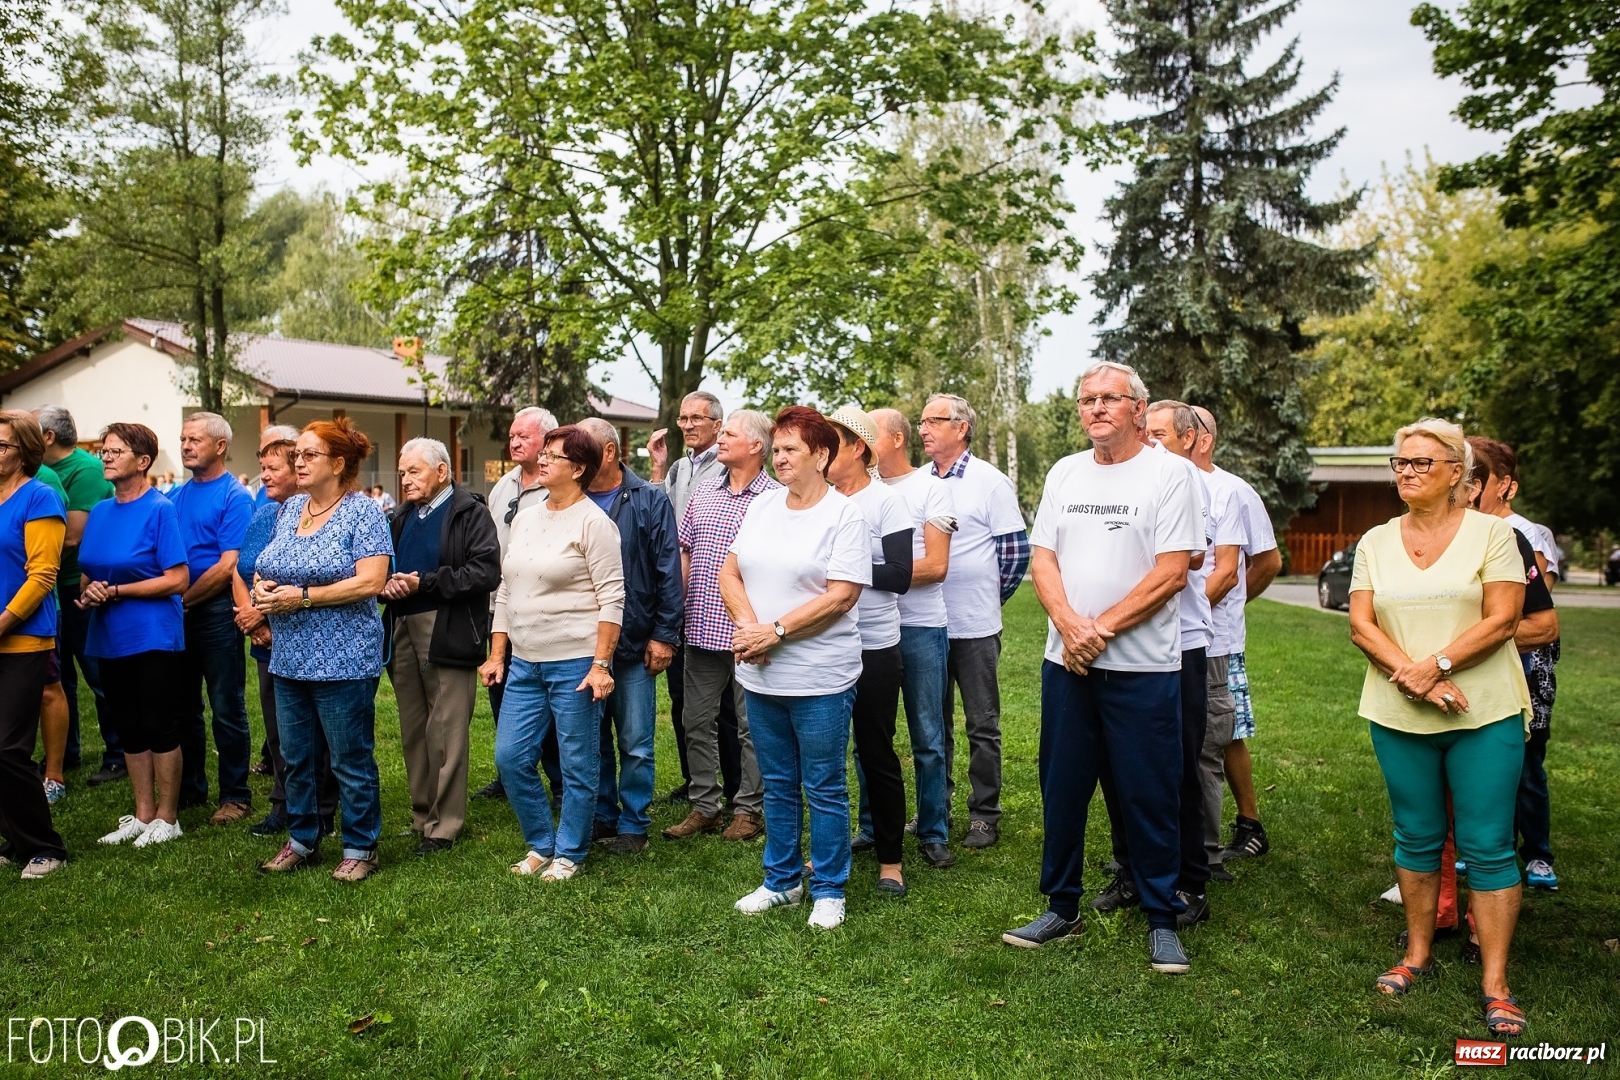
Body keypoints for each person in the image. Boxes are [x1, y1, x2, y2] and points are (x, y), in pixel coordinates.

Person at [1004, 362, 1202, 976]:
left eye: (1108, 399)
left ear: (1139, 410)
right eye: (1086, 399)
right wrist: (1068, 626)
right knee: (1062, 787)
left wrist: (1098, 630)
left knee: (1148, 791)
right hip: (1066, 664)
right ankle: (1061, 906)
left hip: (1143, 668)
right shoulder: (1065, 472)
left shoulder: (1170, 475)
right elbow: (1043, 560)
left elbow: (1172, 572)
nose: (1095, 409)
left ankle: (1162, 916)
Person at [1348, 418, 1531, 1039]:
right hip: (1400, 712)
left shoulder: (1493, 535)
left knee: (1487, 845)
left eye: (1422, 462)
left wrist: (1438, 665)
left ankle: (1496, 983)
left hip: (1485, 713)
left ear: (1458, 472)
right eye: (1400, 462)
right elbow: (1362, 626)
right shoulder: (1375, 539)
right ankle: (1417, 955)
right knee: (1416, 836)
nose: (1407, 471)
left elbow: (1504, 618)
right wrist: (1416, 676)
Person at [720, 406, 870, 930]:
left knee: (824, 783)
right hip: (759, 671)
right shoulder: (761, 507)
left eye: (790, 450)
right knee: (778, 782)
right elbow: (729, 570)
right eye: (777, 449)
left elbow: (842, 596)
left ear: (822, 455)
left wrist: (775, 631)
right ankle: (781, 880)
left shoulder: (845, 514)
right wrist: (749, 628)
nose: (779, 459)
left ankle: (829, 888)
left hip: (820, 676)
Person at [1091, 399, 1221, 928]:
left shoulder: (1188, 484)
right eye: (1149, 432)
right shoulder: (1120, 479)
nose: (1152, 442)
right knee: (1118, 767)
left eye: (1162, 434)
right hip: (1121, 641)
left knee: (1176, 767)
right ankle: (1131, 869)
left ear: (1189, 439)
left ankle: (1187, 880)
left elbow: (1187, 557)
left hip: (1180, 642)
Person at [251, 419, 394, 882]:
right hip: (290, 654)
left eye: (309, 455)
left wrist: (303, 597)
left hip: (344, 657)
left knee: (349, 758)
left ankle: (360, 846)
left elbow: (372, 580)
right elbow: (269, 562)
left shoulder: (363, 512)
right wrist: (262, 586)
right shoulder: (291, 506)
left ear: (338, 463)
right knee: (296, 757)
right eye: (298, 454)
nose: (298, 461)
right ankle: (302, 839)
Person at [481, 425, 623, 881]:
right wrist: (497, 653)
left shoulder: (595, 523)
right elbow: (506, 589)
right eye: (542, 453)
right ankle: (542, 844)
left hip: (576, 663)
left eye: (552, 455)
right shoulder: (525, 517)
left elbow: (612, 599)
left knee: (577, 761)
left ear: (578, 469)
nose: (541, 460)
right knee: (510, 757)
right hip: (524, 661)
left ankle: (571, 853)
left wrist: (601, 664)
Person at [378, 437, 501, 855]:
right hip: (402, 624)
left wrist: (425, 583)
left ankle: (444, 826)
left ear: (442, 471)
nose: (405, 479)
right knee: (414, 727)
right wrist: (388, 585)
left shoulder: (469, 512)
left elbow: (485, 572)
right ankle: (421, 815)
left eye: (414, 471)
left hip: (447, 627)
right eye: (402, 471)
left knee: (446, 730)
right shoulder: (400, 516)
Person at [919, 393, 1029, 850]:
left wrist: (987, 598)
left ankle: (984, 814)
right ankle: (935, 810)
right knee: (931, 724)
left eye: (933, 421)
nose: (923, 429)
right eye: (921, 421)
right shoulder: (919, 481)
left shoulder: (990, 482)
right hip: (927, 623)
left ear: (961, 428)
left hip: (975, 627)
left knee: (981, 724)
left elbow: (1016, 554)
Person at [78, 423, 191, 851]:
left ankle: (168, 816)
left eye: (115, 451)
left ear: (142, 462)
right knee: (127, 725)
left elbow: (178, 578)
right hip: (107, 632)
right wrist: (89, 589)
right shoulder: (102, 510)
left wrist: (119, 590)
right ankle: (142, 814)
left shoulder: (160, 509)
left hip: (152, 634)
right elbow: (91, 568)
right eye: (103, 451)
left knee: (158, 723)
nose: (105, 457)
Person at [663, 410, 774, 843]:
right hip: (702, 628)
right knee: (696, 720)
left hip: (749, 633)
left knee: (750, 727)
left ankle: (749, 810)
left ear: (756, 446)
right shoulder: (705, 492)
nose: (721, 438)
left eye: (730, 433)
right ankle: (705, 805)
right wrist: (678, 608)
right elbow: (685, 552)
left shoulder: (775, 499)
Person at [576, 418, 681, 856]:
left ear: (608, 451)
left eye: (583, 448)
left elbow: (668, 570)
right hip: (581, 643)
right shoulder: (568, 499)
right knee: (591, 737)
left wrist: (663, 634)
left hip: (635, 642)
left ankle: (634, 823)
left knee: (635, 739)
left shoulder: (649, 499)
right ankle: (601, 816)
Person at [232, 426, 339, 838]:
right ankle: (285, 803)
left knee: (317, 733)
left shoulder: (314, 515)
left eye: (273, 467)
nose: (266, 475)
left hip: (300, 635)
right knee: (280, 731)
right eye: (262, 467)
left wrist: (265, 618)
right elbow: (242, 568)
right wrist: (251, 612)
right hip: (264, 639)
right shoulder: (264, 514)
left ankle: (320, 808)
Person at [1187, 406, 1281, 866]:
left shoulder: (1233, 491)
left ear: (1201, 439)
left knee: (1226, 731)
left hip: (1218, 637)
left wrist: (1232, 601)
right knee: (1214, 732)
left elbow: (1266, 562)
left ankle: (1248, 823)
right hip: (1184, 632)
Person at [826, 406, 914, 896]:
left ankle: (890, 862)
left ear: (858, 448)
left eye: (830, 444)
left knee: (877, 752)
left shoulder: (886, 502)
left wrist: (842, 569)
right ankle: (829, 853)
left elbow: (900, 576)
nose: (821, 454)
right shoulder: (816, 502)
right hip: (821, 644)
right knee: (823, 758)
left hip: (875, 647)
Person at [1468, 436, 1562, 893]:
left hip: (1527, 663)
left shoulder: (1524, 534)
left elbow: (1531, 612)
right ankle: (1486, 847)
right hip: (1478, 660)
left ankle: (1537, 854)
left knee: (1525, 764)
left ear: (1503, 485)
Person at [867, 408, 957, 869]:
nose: (860, 440)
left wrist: (861, 574)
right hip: (871, 631)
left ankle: (933, 828)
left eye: (870, 432)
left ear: (897, 439)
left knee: (927, 734)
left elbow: (936, 566)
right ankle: (871, 825)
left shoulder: (931, 489)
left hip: (921, 627)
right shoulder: (862, 491)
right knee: (872, 733)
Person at [167, 412, 255, 823]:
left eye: (194, 439)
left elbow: (227, 566)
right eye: (183, 439)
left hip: (216, 611)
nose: (186, 445)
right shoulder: (174, 497)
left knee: (226, 705)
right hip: (178, 612)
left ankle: (235, 795)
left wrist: (182, 600)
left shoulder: (235, 497)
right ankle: (190, 789)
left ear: (220, 446)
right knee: (183, 706)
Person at [0, 411, 70, 879]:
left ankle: (47, 848)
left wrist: (2, 623)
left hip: (22, 639)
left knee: (7, 749)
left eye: (1, 446)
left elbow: (42, 575)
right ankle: (17, 837)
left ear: (24, 451)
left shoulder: (39, 496)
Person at [478, 406, 560, 801]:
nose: (514, 442)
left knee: (547, 699)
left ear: (547, 440)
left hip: (543, 611)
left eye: (523, 436)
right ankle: (510, 773)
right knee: (502, 692)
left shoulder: (557, 486)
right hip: (499, 606)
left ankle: (560, 780)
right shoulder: (503, 484)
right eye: (512, 435)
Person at [34, 406, 119, 786]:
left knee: (96, 673)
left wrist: (32, 560)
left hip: (78, 586)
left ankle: (117, 753)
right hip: (56, 585)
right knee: (60, 675)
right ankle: (64, 753)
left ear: (47, 437)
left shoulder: (84, 470)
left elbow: (71, 536)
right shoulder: (46, 472)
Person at [649, 391, 727, 801]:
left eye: (697, 418)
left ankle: (734, 785)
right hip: (680, 591)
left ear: (717, 424)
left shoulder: (727, 466)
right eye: (683, 418)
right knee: (684, 696)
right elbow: (661, 516)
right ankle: (694, 779)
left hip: (716, 596)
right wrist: (659, 468)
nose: (688, 425)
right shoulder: (680, 467)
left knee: (725, 707)